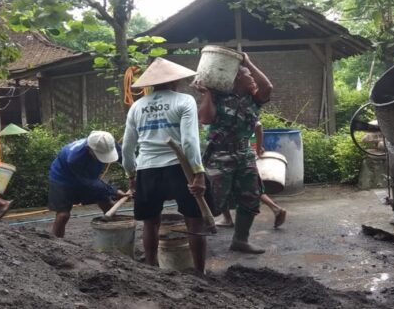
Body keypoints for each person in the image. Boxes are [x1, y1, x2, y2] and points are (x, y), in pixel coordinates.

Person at [122, 57, 211, 273]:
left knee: (150, 223)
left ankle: (151, 269)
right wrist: (198, 173)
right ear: (175, 82)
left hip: (147, 168)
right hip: (178, 168)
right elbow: (189, 141)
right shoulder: (184, 100)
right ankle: (199, 272)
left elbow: (126, 146)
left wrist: (131, 175)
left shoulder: (137, 106)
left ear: (151, 84)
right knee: (194, 221)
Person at [195, 52, 273, 254]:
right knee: (214, 200)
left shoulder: (253, 100)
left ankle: (240, 240)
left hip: (244, 152)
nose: (253, 79)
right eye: (249, 76)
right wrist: (207, 94)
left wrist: (248, 63)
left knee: (251, 197)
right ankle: (195, 241)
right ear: (238, 78)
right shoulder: (219, 96)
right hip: (219, 156)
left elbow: (268, 87)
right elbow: (205, 118)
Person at [48, 130, 128, 238]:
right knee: (63, 215)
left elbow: (125, 158)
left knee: (107, 204)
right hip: (62, 179)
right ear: (90, 149)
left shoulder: (108, 142)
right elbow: (91, 182)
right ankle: (55, 243)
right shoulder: (75, 158)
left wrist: (134, 174)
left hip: (89, 177)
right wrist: (114, 191)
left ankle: (116, 236)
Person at [215, 120, 287, 229]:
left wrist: (257, 148)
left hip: (227, 158)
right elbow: (257, 127)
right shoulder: (245, 111)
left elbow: (257, 126)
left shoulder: (223, 111)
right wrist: (257, 148)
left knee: (221, 186)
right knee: (253, 186)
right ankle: (276, 209)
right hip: (246, 156)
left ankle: (227, 219)